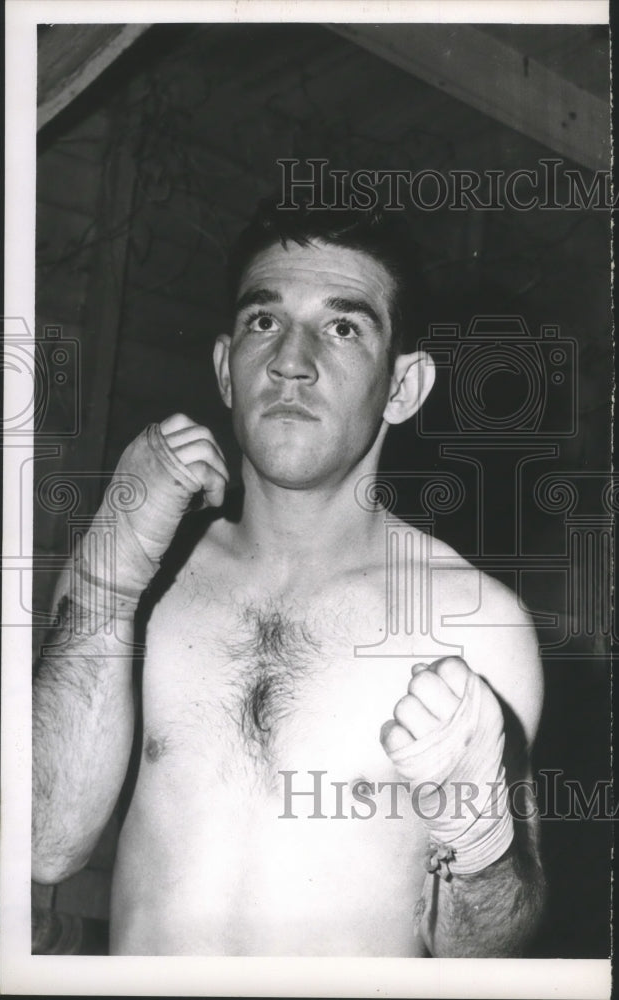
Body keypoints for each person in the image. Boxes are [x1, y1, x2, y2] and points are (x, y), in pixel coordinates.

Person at [32, 200, 545, 957]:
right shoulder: (136, 579)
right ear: (225, 369)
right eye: (264, 322)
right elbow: (45, 843)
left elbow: (485, 952)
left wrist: (478, 833)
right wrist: (107, 579)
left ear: (403, 388)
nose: (291, 361)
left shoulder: (474, 620)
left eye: (343, 327)